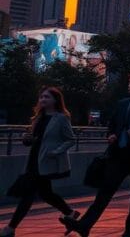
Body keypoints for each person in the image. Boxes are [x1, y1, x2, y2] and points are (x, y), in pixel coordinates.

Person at [63, 71, 130, 237]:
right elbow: (112, 124)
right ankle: (85, 225)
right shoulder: (122, 104)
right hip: (118, 153)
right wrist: (111, 135)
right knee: (105, 191)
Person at [3, 87, 78, 237]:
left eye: (47, 97)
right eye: (41, 97)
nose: (43, 100)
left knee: (28, 194)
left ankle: (10, 228)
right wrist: (27, 139)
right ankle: (70, 212)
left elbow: (70, 139)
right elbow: (34, 140)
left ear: (55, 100)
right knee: (46, 193)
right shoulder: (38, 117)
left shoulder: (61, 118)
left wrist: (56, 151)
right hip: (33, 159)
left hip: (46, 160)